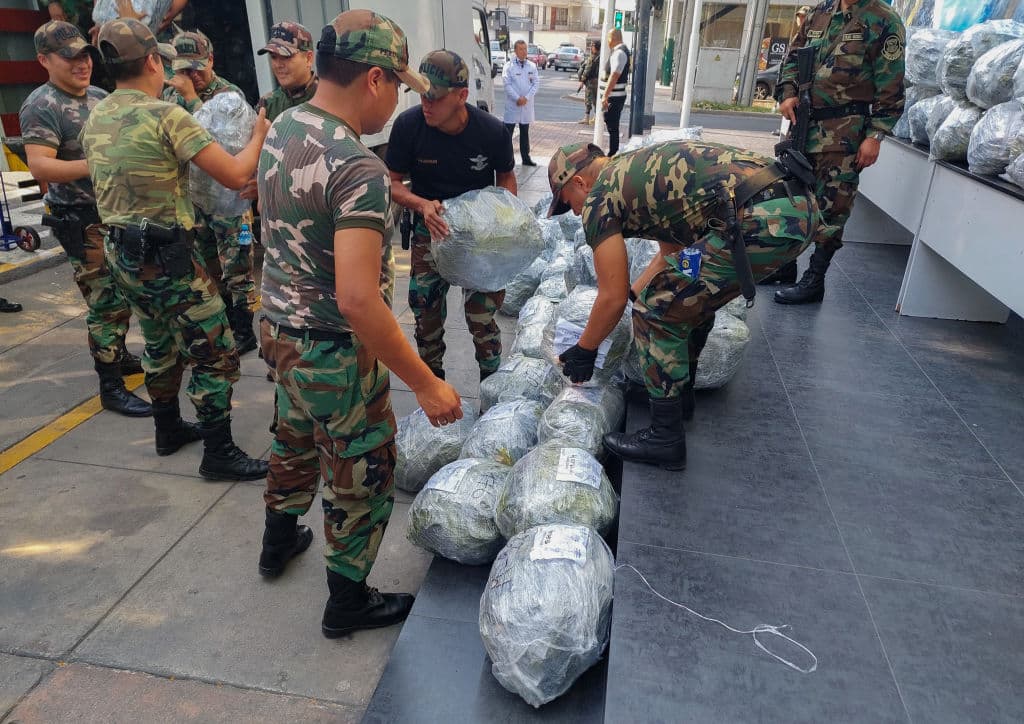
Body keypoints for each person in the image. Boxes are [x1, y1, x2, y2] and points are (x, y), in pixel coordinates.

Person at [257, 10, 463, 638]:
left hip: (279, 331)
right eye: (398, 85)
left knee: (292, 436)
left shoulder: (285, 123)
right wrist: (426, 382)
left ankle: (276, 541)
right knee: (361, 471)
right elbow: (358, 300)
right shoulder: (356, 167)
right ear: (373, 79)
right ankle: (347, 602)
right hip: (332, 350)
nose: (399, 98)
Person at [547, 141, 819, 469]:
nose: (576, 212)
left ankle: (665, 436)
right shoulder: (636, 174)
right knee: (682, 299)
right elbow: (671, 255)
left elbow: (610, 296)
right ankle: (678, 398)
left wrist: (585, 349)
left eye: (568, 203)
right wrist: (635, 295)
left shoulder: (598, 198)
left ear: (579, 183)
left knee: (656, 313)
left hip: (760, 220)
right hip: (794, 207)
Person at [80, 17, 271, 480]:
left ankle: (167, 429)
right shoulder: (165, 115)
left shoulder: (98, 114)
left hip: (123, 256)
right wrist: (260, 135)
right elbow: (235, 174)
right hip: (168, 256)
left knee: (160, 339)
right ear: (151, 61)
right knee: (215, 349)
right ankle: (219, 452)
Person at [20, 20, 151, 418]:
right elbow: (40, 166)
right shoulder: (41, 105)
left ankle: (121, 355)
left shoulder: (97, 95)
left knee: (123, 292)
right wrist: (97, 164)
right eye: (69, 57)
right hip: (79, 217)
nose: (82, 64)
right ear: (44, 60)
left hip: (111, 213)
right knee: (104, 302)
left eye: (84, 55)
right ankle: (110, 385)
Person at [387, 49, 517, 383]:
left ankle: (491, 389)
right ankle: (433, 388)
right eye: (421, 95)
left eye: (435, 97)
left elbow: (506, 178)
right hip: (430, 230)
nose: (426, 104)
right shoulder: (408, 126)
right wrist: (420, 204)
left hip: (477, 238)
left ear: (461, 96)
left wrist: (503, 222)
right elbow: (392, 182)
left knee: (481, 317)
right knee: (425, 313)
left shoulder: (491, 132)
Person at [772, 0, 905, 305]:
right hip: (803, 125)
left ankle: (814, 280)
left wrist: (876, 135)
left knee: (833, 205)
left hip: (845, 131)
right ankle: (784, 266)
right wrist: (788, 93)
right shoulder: (820, 12)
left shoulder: (883, 20)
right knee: (791, 196)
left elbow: (891, 86)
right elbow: (793, 56)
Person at [164, 29, 259, 352]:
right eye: (184, 70)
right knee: (206, 265)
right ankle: (224, 325)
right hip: (195, 198)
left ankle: (244, 329)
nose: (192, 76)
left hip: (230, 200)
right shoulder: (170, 98)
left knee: (237, 266)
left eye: (197, 68)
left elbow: (222, 146)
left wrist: (192, 101)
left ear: (211, 61)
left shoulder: (228, 95)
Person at [256, 21, 318, 121]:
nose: (278, 65)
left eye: (286, 56)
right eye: (274, 57)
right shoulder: (267, 105)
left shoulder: (328, 98)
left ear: (308, 58)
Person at [502, 39, 538, 166]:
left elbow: (535, 84)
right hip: (513, 104)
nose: (524, 52)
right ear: (515, 50)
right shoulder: (509, 66)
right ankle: (506, 158)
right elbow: (507, 85)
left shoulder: (532, 66)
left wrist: (526, 98)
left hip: (526, 104)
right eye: (521, 49)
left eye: (525, 49)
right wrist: (517, 98)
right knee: (508, 132)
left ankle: (525, 157)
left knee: (524, 131)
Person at [600, 28, 631, 156]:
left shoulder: (619, 53)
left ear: (612, 38)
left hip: (614, 97)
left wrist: (605, 96)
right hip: (614, 96)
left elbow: (614, 75)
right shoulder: (620, 51)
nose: (607, 41)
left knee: (612, 125)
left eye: (608, 38)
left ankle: (613, 153)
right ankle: (613, 152)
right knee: (612, 124)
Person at [577, 41, 600, 125]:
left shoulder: (592, 57)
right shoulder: (601, 57)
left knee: (588, 100)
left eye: (592, 46)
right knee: (596, 101)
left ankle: (587, 118)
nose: (591, 48)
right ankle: (595, 118)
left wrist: (582, 80)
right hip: (597, 81)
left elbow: (587, 70)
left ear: (595, 47)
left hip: (590, 82)